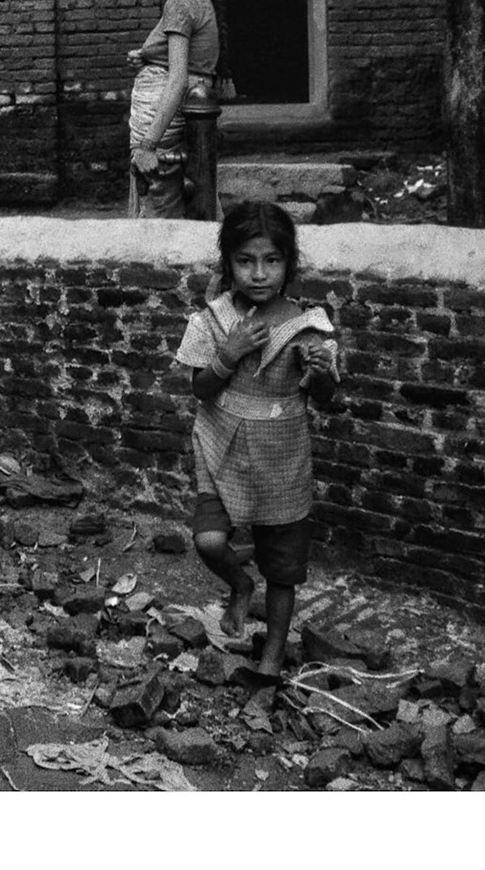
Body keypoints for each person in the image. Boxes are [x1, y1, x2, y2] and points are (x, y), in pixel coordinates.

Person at [171, 200, 339, 684]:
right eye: (246, 261)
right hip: (222, 446)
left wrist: (320, 373)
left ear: (289, 264)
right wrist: (229, 354)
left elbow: (325, 399)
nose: (259, 274)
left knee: (282, 569)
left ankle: (271, 657)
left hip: (282, 458)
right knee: (208, 540)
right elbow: (200, 389)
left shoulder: (308, 326)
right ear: (229, 263)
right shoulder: (215, 319)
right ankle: (241, 585)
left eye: (272, 260)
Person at [126, 0, 221, 218]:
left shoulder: (179, 4)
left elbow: (178, 78)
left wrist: (148, 146)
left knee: (159, 213)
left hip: (162, 123)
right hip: (178, 115)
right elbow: (190, 59)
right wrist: (148, 57)